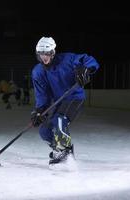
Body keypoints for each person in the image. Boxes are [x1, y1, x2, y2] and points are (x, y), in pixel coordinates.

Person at [30, 36, 99, 165]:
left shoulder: (68, 59)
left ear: (53, 52)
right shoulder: (38, 72)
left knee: (60, 120)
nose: (44, 57)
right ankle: (59, 149)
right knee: (44, 130)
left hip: (74, 97)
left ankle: (66, 152)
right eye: (41, 54)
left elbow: (89, 60)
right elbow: (42, 95)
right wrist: (39, 110)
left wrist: (85, 69)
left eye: (47, 53)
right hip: (59, 102)